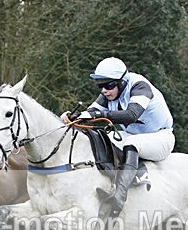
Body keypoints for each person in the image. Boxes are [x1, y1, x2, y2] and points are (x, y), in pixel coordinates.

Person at [73, 57, 175, 217]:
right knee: (100, 136)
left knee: (132, 143)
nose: (104, 90)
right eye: (100, 85)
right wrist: (74, 117)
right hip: (133, 135)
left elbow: (131, 115)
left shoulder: (140, 86)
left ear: (122, 82)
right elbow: (90, 113)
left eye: (108, 85)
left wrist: (99, 114)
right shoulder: (109, 94)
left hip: (161, 138)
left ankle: (119, 196)